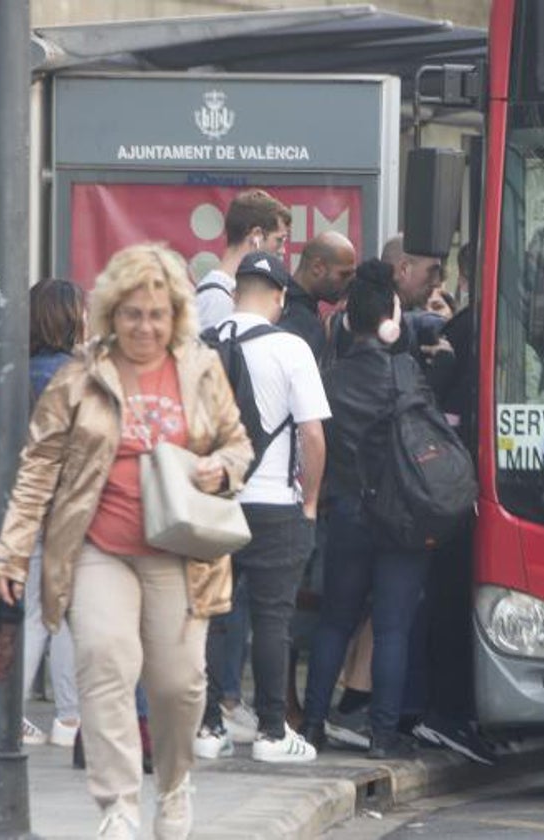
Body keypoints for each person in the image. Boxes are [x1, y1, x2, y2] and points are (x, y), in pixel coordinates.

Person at [0, 243, 253, 840]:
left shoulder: (200, 369)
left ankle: (175, 782)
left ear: (175, 316)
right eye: (133, 313)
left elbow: (238, 443)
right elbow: (37, 469)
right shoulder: (80, 375)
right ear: (112, 313)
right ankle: (119, 806)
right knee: (104, 663)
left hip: (179, 552)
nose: (145, 325)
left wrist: (222, 469)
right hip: (98, 548)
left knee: (178, 683)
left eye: (157, 314)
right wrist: (11, 553)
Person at [195, 251, 329, 764]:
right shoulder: (291, 347)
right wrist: (311, 502)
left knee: (210, 616)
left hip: (213, 503)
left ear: (234, 294)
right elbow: (313, 434)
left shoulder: (202, 346)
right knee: (273, 618)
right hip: (276, 504)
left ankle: (208, 727)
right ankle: (273, 732)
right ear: (277, 298)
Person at [301, 260, 432, 760]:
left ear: (348, 322)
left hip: (349, 510)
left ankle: (313, 724)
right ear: (391, 319)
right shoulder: (407, 374)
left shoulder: (330, 379)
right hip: (400, 516)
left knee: (335, 620)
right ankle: (382, 735)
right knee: (393, 627)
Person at [19, 278, 84, 748]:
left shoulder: (18, 372)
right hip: (63, 505)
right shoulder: (70, 375)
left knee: (36, 612)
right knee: (59, 613)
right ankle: (69, 716)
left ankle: (18, 712)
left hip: (26, 501)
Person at [195, 189, 291, 330]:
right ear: (256, 235)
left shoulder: (221, 294)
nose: (283, 250)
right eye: (279, 240)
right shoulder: (216, 299)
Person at [282, 231, 357, 360]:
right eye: (344, 275)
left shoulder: (297, 309)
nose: (349, 283)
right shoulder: (292, 317)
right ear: (317, 267)